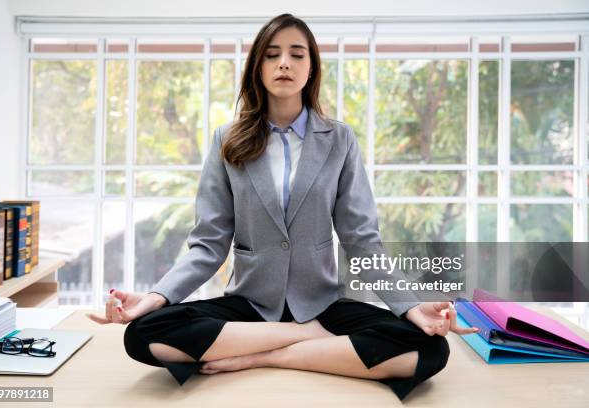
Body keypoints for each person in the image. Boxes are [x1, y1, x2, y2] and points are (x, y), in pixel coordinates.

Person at [88, 13, 478, 400]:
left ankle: (264, 356)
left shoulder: (339, 140)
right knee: (143, 334)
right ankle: (302, 340)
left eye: (297, 54)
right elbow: (208, 244)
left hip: (323, 305)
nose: (284, 63)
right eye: (272, 55)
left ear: (312, 68)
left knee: (429, 349)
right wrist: (154, 297)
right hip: (250, 304)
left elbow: (361, 241)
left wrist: (411, 308)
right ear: (258, 67)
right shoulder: (228, 140)